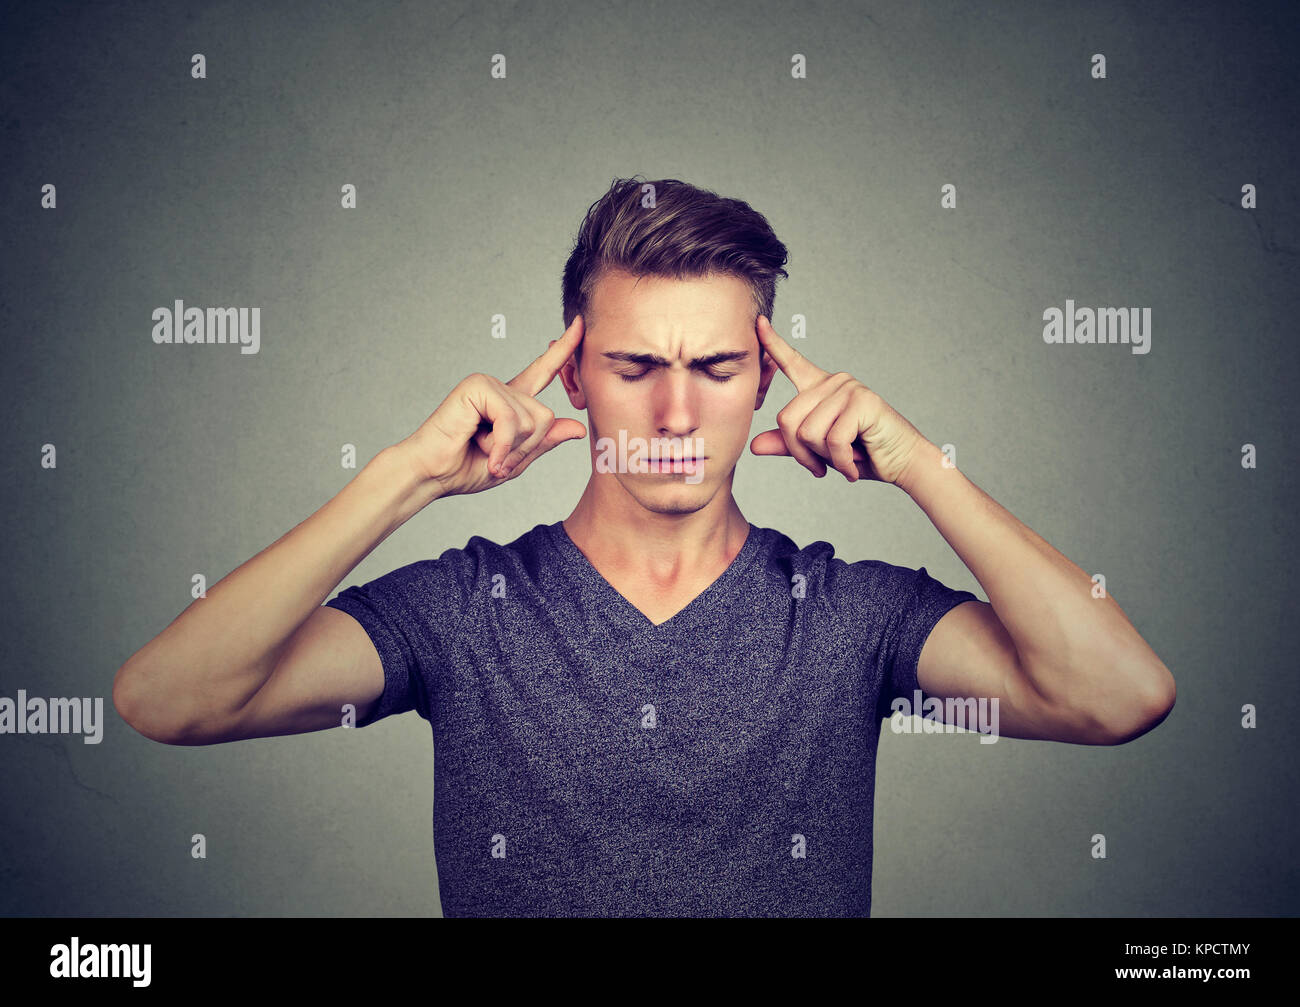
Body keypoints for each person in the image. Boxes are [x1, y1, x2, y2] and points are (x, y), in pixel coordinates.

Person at [113, 177, 1176, 917]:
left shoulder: (849, 611)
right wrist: (407, 478)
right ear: (574, 377)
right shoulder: (465, 606)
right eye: (634, 367)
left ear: (767, 379)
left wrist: (918, 463)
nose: (674, 413)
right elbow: (169, 698)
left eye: (716, 367)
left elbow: (1118, 694)